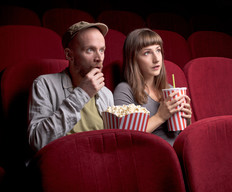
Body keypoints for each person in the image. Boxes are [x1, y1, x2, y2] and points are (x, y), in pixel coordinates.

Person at [28, 21, 114, 151]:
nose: (99, 58)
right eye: (90, 50)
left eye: (102, 50)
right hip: (63, 162)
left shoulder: (106, 94)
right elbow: (38, 141)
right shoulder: (44, 84)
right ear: (69, 55)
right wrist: (82, 94)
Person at [113, 28, 192, 145]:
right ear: (133, 59)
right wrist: (160, 116)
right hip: (152, 154)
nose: (156, 59)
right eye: (147, 53)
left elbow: (181, 134)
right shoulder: (124, 90)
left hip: (178, 151)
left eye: (158, 50)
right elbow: (125, 137)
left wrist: (187, 119)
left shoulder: (169, 89)